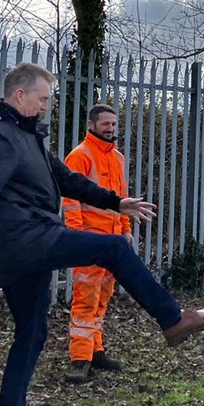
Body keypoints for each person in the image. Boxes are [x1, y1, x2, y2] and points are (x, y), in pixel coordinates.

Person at [0, 63, 204, 406]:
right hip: (25, 240)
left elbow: (67, 181)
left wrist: (117, 203)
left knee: (30, 336)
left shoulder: (25, 136)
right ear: (19, 96)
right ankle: (172, 320)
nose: (47, 106)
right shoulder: (0, 138)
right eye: (43, 98)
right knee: (114, 248)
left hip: (24, 246)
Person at [63, 104, 131, 384]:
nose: (111, 129)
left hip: (113, 240)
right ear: (91, 125)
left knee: (102, 299)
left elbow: (122, 198)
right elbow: (70, 201)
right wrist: (76, 236)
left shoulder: (117, 157)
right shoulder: (79, 156)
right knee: (85, 300)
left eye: (114, 124)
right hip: (90, 241)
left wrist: (125, 229)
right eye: (106, 124)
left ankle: (95, 350)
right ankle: (80, 359)